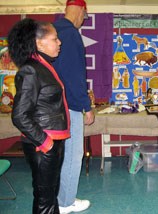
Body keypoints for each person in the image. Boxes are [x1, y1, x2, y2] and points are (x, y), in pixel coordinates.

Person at [8, 18, 70, 213]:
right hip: (42, 145)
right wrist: (45, 143)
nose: (59, 42)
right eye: (55, 38)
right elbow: (19, 114)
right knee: (44, 198)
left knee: (50, 194)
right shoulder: (30, 70)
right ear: (39, 42)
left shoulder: (42, 66)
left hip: (51, 142)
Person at [53, 0, 95, 213]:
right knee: (72, 155)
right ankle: (65, 203)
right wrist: (86, 106)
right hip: (69, 105)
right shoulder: (70, 34)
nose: (82, 21)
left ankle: (62, 196)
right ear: (81, 11)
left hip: (53, 105)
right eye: (84, 17)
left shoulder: (53, 30)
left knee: (61, 155)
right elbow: (74, 76)